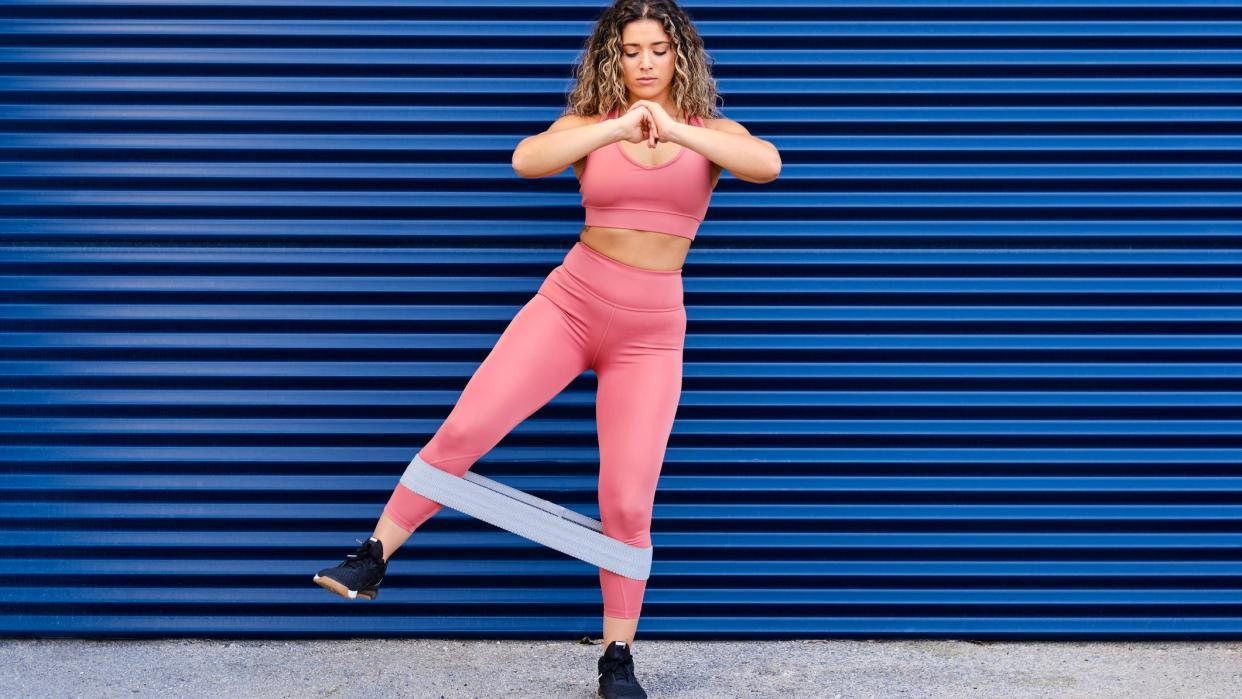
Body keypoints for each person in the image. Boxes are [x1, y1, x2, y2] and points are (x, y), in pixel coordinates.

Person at [312, 1, 780, 696]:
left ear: (680, 55)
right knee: (468, 425)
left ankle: (616, 658)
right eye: (630, 51)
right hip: (571, 303)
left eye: (658, 49)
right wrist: (621, 124)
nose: (645, 63)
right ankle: (373, 556)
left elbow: (766, 164)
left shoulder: (711, 135)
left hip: (651, 333)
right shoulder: (590, 128)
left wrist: (677, 129)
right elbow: (526, 158)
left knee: (625, 500)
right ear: (612, 59)